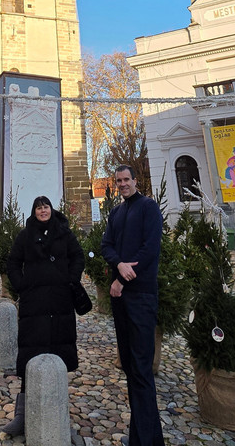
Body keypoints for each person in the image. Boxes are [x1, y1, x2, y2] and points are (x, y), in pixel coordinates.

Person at [3, 196, 83, 436]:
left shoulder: (64, 233)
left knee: (58, 352)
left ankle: (56, 410)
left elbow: (78, 256)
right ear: (34, 211)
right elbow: (13, 262)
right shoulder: (26, 234)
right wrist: (21, 285)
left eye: (45, 207)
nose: (42, 210)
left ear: (51, 209)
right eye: (38, 208)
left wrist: (71, 279)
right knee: (31, 352)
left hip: (59, 301)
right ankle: (23, 414)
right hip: (34, 303)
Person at [101, 165, 165, 446]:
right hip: (121, 298)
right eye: (119, 181)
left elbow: (150, 250)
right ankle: (142, 436)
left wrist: (123, 279)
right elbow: (106, 245)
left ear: (135, 181)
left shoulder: (148, 208)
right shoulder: (116, 212)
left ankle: (148, 440)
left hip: (140, 296)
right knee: (129, 365)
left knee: (141, 368)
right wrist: (118, 264)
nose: (123, 184)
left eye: (127, 179)